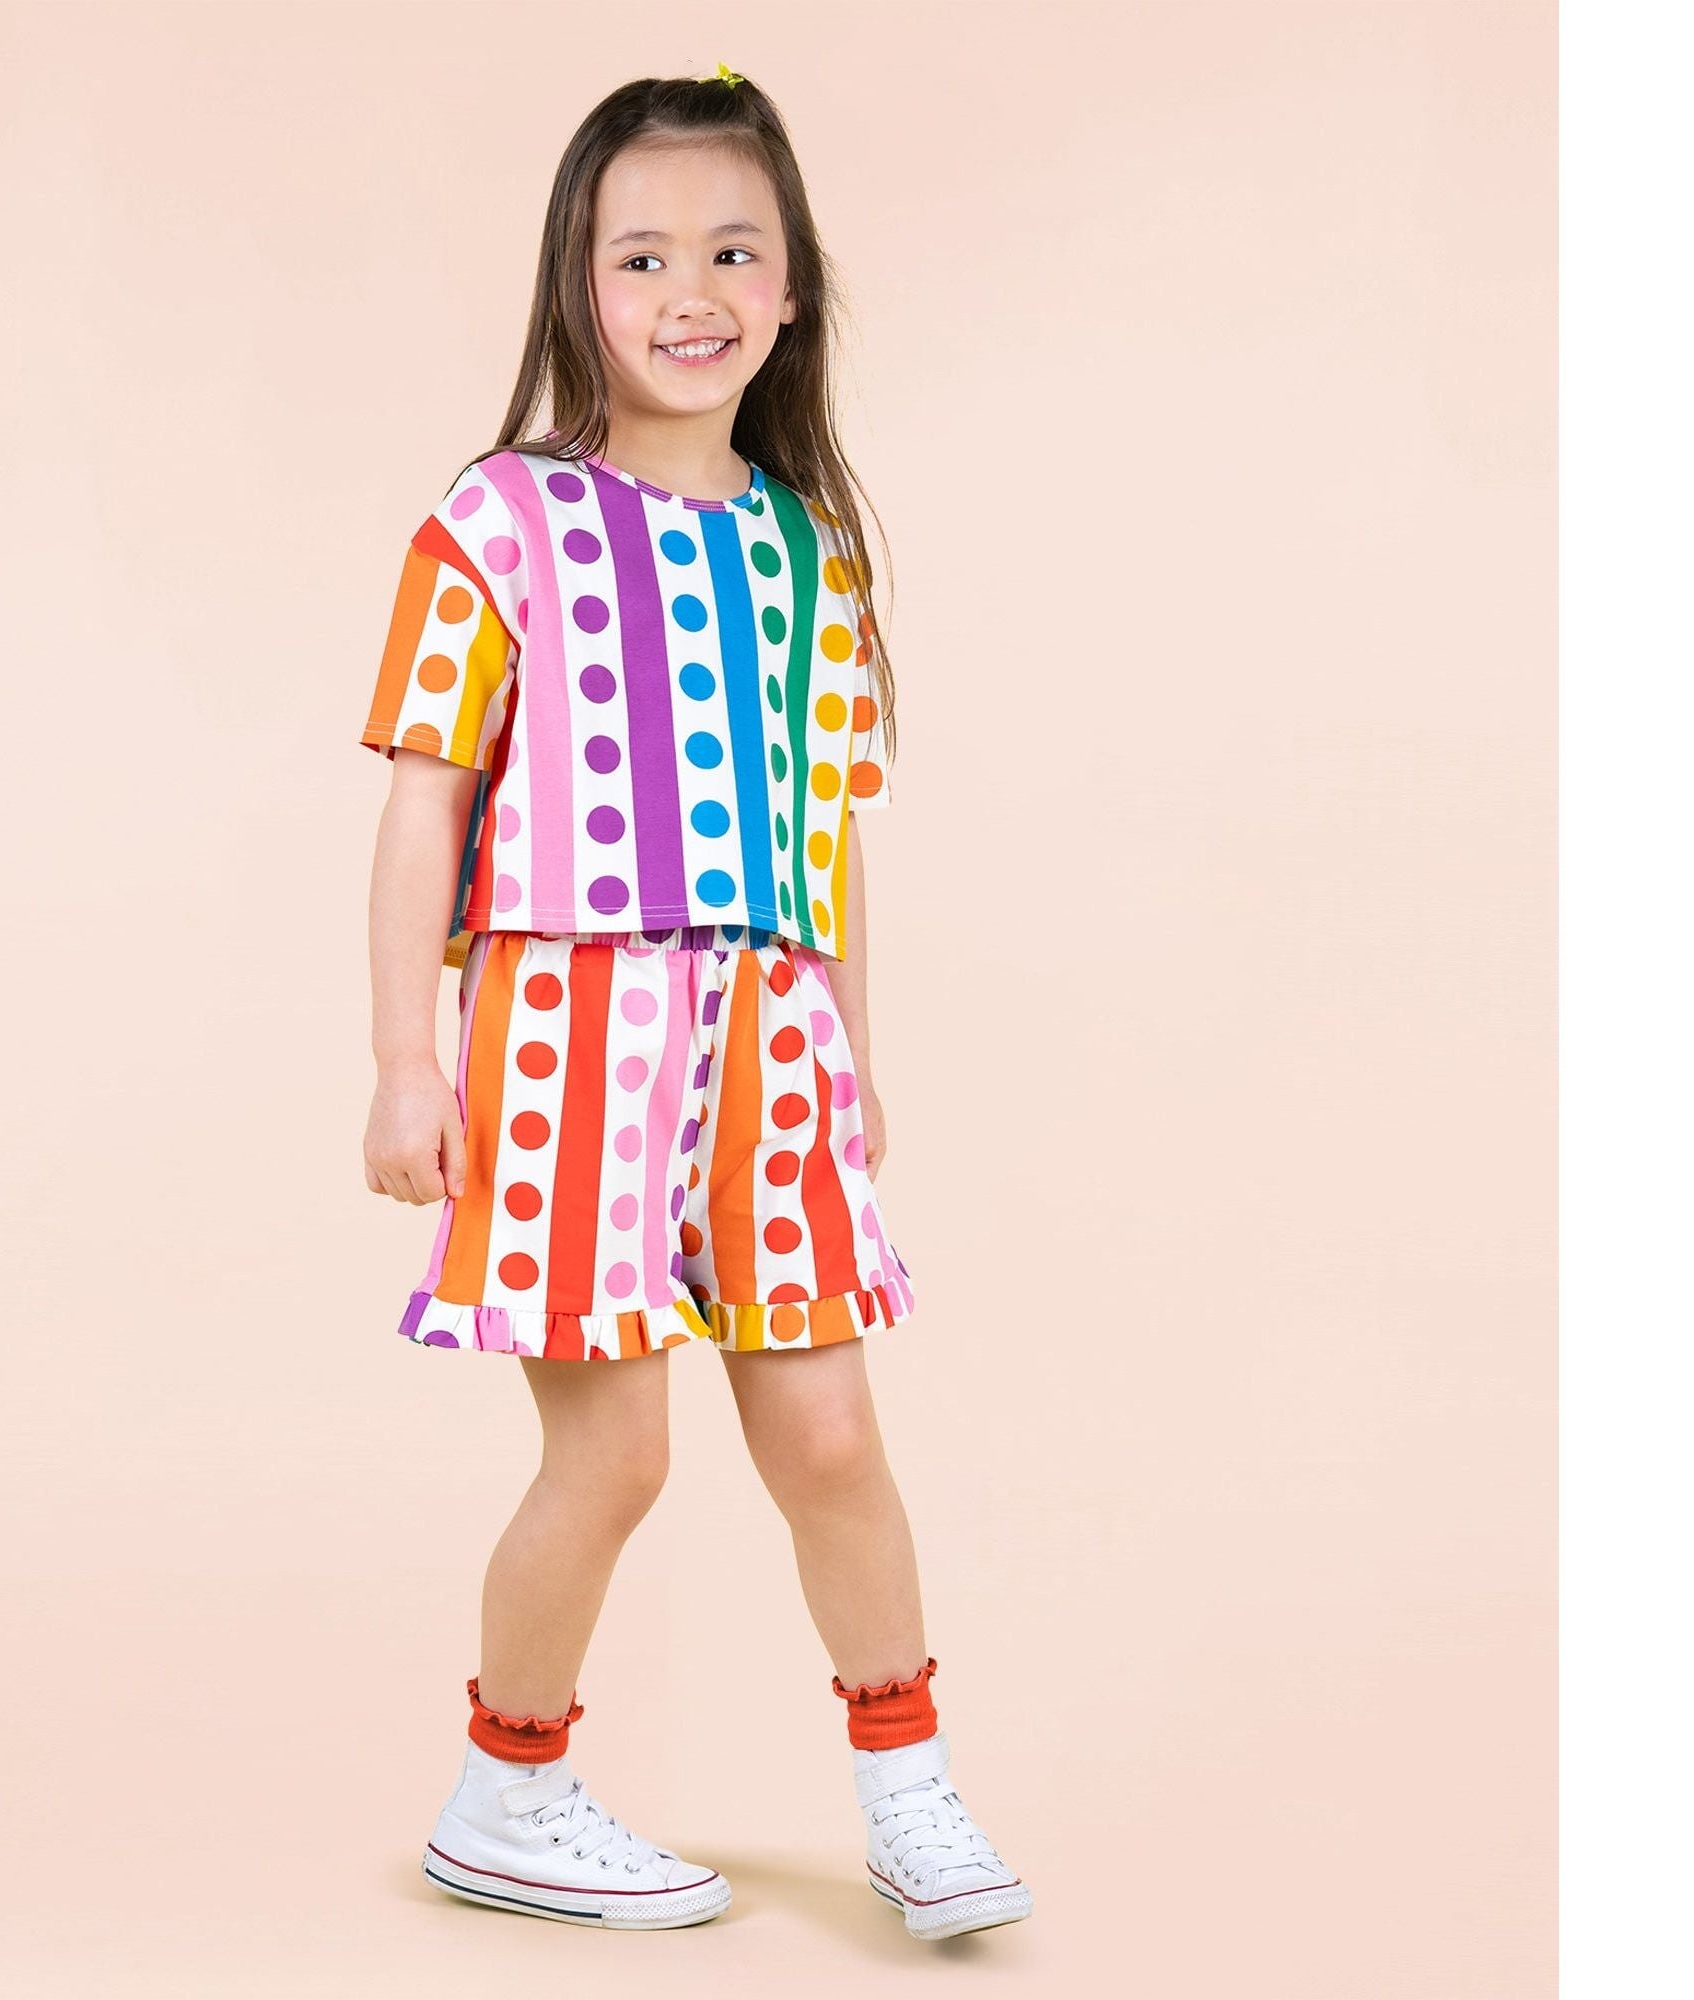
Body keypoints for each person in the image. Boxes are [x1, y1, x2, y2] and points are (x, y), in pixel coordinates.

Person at [359, 63, 1031, 1942]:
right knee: (618, 1453)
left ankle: (911, 1793)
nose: (692, 292)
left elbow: (830, 829)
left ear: (793, 287)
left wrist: (853, 1052)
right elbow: (424, 803)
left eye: (735, 251)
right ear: (577, 287)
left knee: (831, 1438)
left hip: (772, 1040)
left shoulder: (814, 548)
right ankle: (507, 1791)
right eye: (641, 255)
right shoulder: (497, 521)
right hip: (569, 1039)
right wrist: (407, 1057)